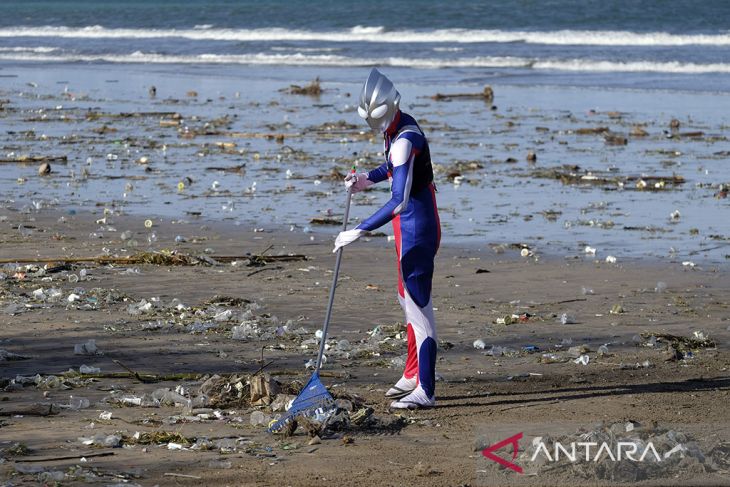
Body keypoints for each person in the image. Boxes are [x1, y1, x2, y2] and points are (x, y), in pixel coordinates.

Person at [333, 68, 441, 409]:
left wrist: (359, 230)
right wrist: (366, 179)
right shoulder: (395, 129)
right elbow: (392, 169)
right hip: (406, 228)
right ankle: (412, 373)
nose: (376, 127)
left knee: (420, 309)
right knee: (405, 300)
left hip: (417, 228)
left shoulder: (405, 138)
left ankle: (426, 390)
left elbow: (400, 199)